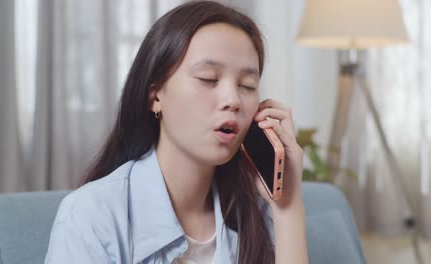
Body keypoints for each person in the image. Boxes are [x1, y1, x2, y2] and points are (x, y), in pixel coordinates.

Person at [44, 1, 308, 263]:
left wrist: (288, 209)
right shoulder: (92, 216)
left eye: (247, 85)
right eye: (208, 79)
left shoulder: (256, 211)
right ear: (155, 96)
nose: (233, 100)